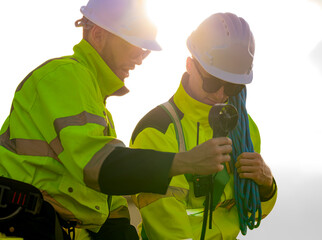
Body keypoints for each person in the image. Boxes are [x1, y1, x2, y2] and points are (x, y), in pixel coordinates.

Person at [0, 1, 233, 239]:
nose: (141, 58)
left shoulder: (95, 103)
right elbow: (101, 166)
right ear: (98, 34)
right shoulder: (64, 77)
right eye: (136, 46)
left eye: (146, 51)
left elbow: (106, 200)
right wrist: (186, 162)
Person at [130, 12, 278, 240]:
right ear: (190, 65)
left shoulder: (246, 127)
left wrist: (266, 184)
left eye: (232, 88)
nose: (221, 94)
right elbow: (167, 227)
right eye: (212, 82)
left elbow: (250, 211)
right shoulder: (156, 130)